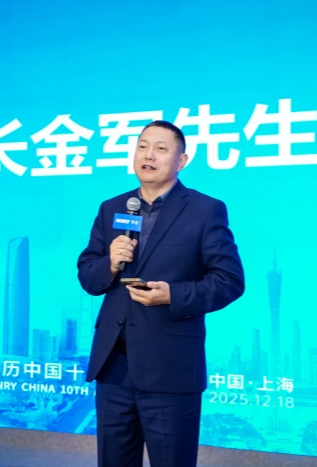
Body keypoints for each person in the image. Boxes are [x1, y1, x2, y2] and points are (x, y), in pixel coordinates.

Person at [77, 120, 245, 467]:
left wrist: (172, 295)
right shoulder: (112, 208)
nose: (148, 155)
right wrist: (111, 263)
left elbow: (229, 280)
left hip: (170, 368)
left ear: (181, 161)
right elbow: (88, 275)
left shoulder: (204, 210)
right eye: (142, 146)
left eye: (160, 148)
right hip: (114, 366)